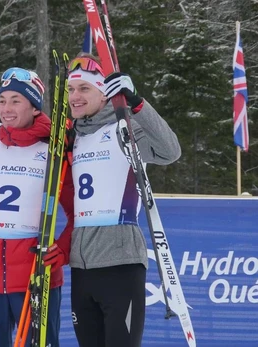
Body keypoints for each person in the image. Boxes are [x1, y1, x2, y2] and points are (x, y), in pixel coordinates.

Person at [66, 53, 182, 347]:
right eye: (70, 89)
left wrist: (137, 103)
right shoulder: (71, 137)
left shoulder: (125, 129)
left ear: (104, 92)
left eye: (84, 89)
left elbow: (170, 151)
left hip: (120, 264)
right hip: (81, 268)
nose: (75, 97)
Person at [0, 67, 75, 347]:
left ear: (35, 108)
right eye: (2, 101)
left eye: (16, 100)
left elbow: (77, 212)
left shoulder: (54, 149)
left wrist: (63, 250)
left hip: (35, 271)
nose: (6, 109)